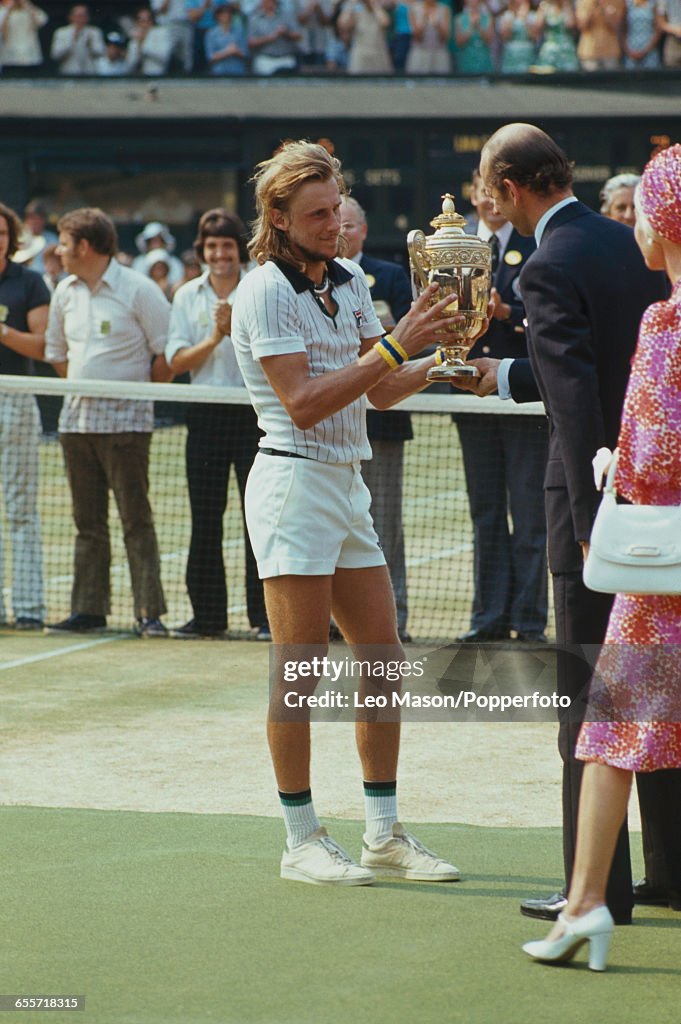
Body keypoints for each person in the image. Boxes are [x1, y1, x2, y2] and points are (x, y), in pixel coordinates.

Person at [231, 140, 471, 885]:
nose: (335, 223)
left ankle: (382, 832)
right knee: (298, 670)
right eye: (318, 213)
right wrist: (399, 346)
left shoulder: (351, 279)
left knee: (382, 660)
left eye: (337, 208)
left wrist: (450, 351)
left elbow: (380, 387)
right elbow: (303, 404)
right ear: (279, 216)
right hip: (291, 484)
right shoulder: (263, 291)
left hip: (346, 484)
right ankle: (300, 839)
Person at [477, 123, 677, 927]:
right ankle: (665, 869)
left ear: (510, 187)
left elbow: (573, 388)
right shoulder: (619, 246)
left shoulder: (551, 262)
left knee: (587, 696)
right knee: (659, 691)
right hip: (658, 512)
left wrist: (597, 518)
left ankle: (592, 888)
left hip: (606, 512)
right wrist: (504, 375)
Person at [43, 207, 172, 637]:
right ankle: (89, 610)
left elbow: (164, 355)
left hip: (126, 427)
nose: (57, 251)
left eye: (63, 242)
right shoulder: (64, 292)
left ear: (83, 246)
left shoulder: (139, 289)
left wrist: (134, 396)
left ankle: (148, 613)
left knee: (136, 519)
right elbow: (58, 355)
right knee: (87, 522)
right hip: (76, 424)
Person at [453, 168, 547, 644]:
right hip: (473, 399)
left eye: (495, 192)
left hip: (525, 397)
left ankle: (529, 622)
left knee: (531, 516)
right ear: (472, 197)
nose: (489, 201)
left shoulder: (535, 246)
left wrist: (507, 313)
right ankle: (489, 618)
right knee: (486, 514)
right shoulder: (453, 246)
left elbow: (549, 319)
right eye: (481, 193)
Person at [166, 208, 269, 641]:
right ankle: (208, 616)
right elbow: (175, 360)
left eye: (227, 245)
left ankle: (265, 617)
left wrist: (235, 331)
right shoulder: (186, 295)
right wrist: (214, 337)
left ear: (239, 250)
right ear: (201, 251)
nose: (220, 254)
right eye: (212, 247)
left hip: (255, 413)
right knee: (205, 517)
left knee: (259, 519)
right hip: (205, 414)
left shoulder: (260, 288)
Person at [339, 195, 413, 643]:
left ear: (363, 230)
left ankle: (394, 618)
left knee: (384, 525)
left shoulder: (388, 276)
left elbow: (409, 341)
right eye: (331, 221)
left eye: (347, 224)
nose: (341, 232)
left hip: (381, 425)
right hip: (333, 424)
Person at [0, 201, 50, 630]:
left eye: (1, 234)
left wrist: (2, 332)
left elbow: (42, 345)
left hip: (16, 397)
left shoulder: (30, 283)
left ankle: (31, 608)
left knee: (21, 508)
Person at [247, 0, 302, 75]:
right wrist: (269, 38)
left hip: (285, 58)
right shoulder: (255, 18)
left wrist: (286, 33)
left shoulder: (286, 15)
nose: (269, 3)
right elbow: (250, 42)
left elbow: (298, 36)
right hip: (265, 59)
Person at [338, 0, 393, 74]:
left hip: (378, 55)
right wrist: (352, 3)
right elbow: (342, 24)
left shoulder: (380, 13)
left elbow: (385, 22)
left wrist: (374, 4)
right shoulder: (357, 15)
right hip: (360, 56)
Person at [50, 3, 104, 74]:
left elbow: (101, 53)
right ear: (71, 17)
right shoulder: (61, 32)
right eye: (78, 16)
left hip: (90, 72)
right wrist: (72, 40)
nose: (80, 19)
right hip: (68, 72)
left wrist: (90, 44)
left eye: (83, 16)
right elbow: (55, 55)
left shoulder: (94, 32)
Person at [0, 0, 48, 72]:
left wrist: (27, 6)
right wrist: (9, 10)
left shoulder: (32, 11)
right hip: (10, 56)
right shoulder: (3, 11)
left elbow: (41, 21)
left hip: (30, 56)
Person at [132, 221, 184, 286]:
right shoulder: (139, 262)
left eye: (159, 240)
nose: (156, 244)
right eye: (152, 241)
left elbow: (177, 282)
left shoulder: (175, 262)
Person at [204, 2, 249, 74]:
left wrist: (236, 51)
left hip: (238, 72)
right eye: (223, 13)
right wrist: (227, 52)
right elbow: (210, 57)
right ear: (218, 16)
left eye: (228, 13)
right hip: (219, 72)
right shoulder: (211, 34)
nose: (226, 15)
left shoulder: (239, 32)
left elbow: (246, 54)